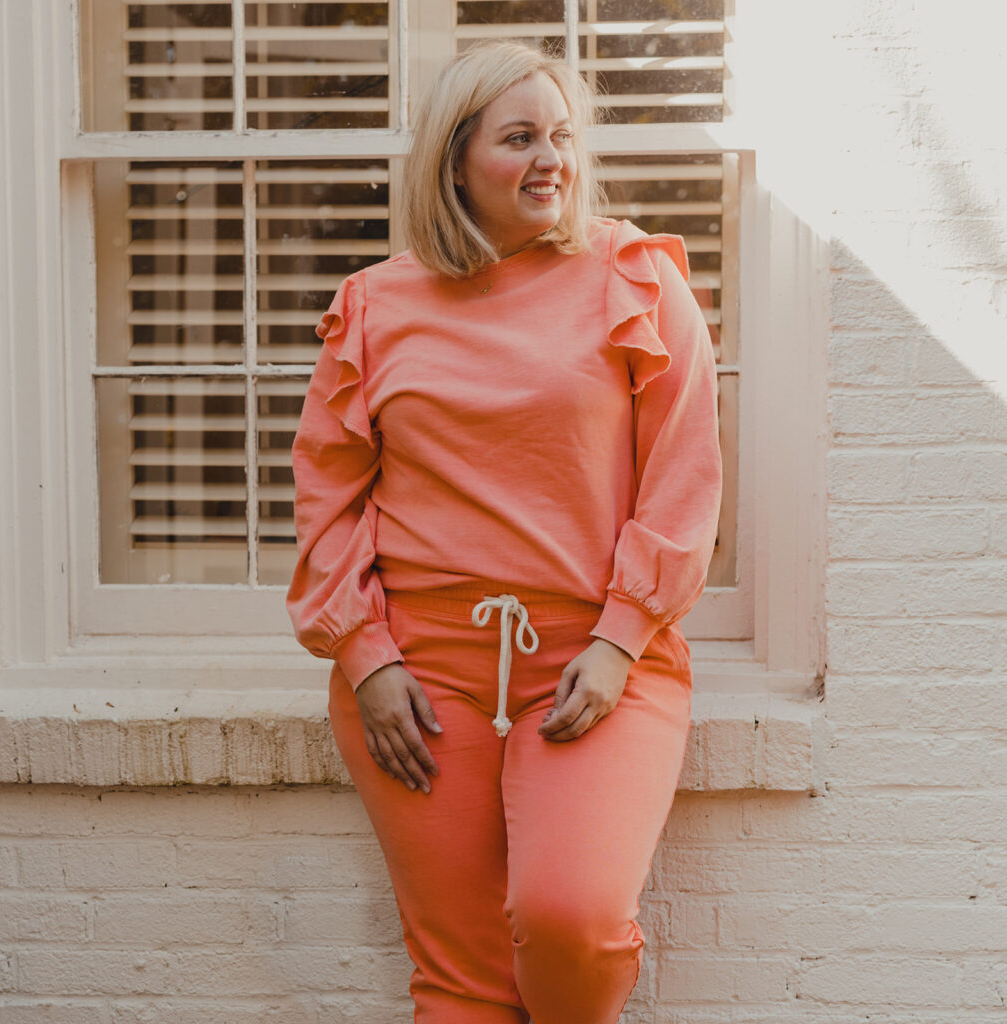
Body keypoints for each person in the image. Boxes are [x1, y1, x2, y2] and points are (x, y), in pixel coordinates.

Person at [288, 41, 722, 1024]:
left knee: (574, 920)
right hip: (415, 676)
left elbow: (683, 480)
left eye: (562, 136)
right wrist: (366, 655)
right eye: (519, 137)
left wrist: (619, 639)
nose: (551, 160)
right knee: (460, 981)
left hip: (594, 658)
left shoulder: (636, 279)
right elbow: (328, 495)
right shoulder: (373, 306)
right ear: (454, 159)